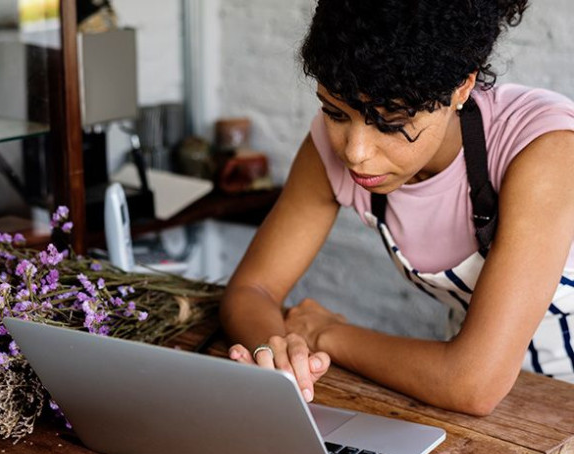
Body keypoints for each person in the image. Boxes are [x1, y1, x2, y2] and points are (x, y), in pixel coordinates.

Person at [220, 0, 574, 416]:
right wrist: (278, 349)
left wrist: (330, 335)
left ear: (461, 87)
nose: (356, 153)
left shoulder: (545, 150)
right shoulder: (335, 151)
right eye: (335, 113)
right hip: (495, 398)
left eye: (390, 121)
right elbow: (252, 290)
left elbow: (473, 384)